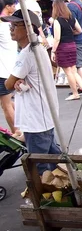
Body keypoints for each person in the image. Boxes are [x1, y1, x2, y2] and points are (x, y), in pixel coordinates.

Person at [2, 9, 62, 173]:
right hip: (43, 116)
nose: (11, 29)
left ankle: (47, 194)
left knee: (40, 166)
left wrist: (15, 81)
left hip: (37, 119)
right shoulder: (37, 48)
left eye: (15, 25)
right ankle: (67, 185)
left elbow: (8, 84)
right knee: (55, 158)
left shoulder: (28, 53)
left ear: (29, 27)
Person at [51, 0, 82, 101]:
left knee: (68, 72)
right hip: (72, 45)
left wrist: (53, 51)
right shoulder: (71, 18)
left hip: (63, 47)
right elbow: (79, 30)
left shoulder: (57, 21)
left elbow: (57, 38)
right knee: (73, 70)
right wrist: (71, 33)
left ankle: (75, 93)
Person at [0, 0, 18, 133]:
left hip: (2, 71)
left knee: (6, 105)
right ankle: (23, 126)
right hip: (11, 68)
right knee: (8, 103)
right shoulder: (10, 24)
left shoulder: (2, 25)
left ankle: (17, 132)